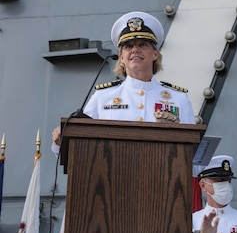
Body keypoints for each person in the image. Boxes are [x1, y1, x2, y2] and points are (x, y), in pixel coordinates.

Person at [52, 11, 195, 152]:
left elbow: (192, 152)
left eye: (143, 44)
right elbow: (78, 146)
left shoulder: (178, 99)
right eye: (128, 46)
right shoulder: (102, 97)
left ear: (155, 53)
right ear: (121, 56)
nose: (135, 50)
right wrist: (61, 140)